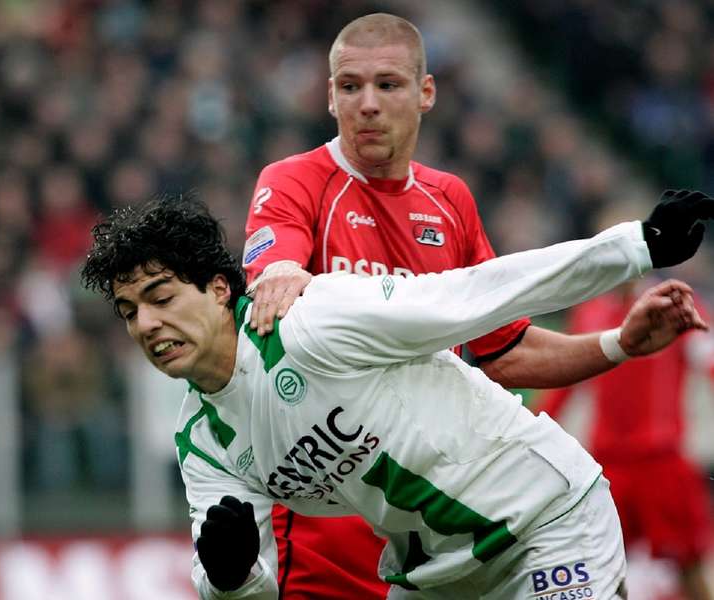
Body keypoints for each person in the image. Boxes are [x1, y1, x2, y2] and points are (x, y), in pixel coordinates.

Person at [241, 12, 700, 599]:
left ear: (425, 92)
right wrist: (279, 268)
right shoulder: (294, 181)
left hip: (448, 524)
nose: (368, 104)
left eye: (388, 84)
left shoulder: (449, 201)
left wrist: (618, 345)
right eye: (350, 86)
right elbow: (276, 269)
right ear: (330, 97)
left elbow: (503, 350)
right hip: (330, 526)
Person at [81, 189, 714, 599]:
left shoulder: (312, 321)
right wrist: (227, 575)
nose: (147, 325)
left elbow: (476, 296)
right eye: (130, 312)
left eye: (162, 298)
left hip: (544, 524)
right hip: (433, 577)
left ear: (220, 289)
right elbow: (247, 588)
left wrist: (635, 247)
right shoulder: (203, 442)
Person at [534, 281, 714, 600]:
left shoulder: (677, 305)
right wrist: (533, 430)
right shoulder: (589, 313)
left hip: (661, 461)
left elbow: (709, 362)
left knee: (689, 567)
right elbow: (566, 381)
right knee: (603, 572)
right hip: (608, 466)